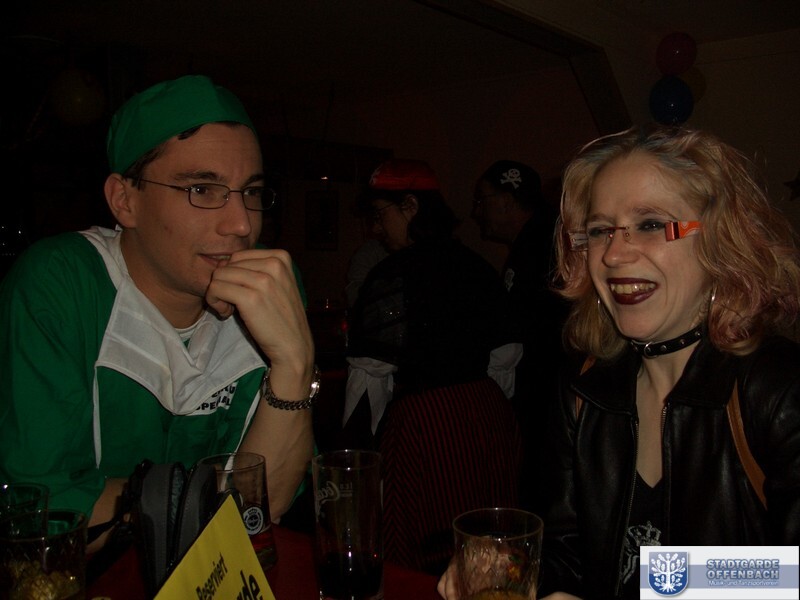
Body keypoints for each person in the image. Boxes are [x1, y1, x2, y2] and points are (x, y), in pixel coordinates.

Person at [438, 124, 800, 599]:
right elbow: (569, 555)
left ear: (720, 239)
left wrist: (664, 580)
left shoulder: (779, 387)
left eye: (650, 224)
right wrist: (514, 568)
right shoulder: (584, 386)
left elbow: (789, 574)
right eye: (599, 230)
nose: (612, 253)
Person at [0, 75, 317, 550]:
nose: (241, 224)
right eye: (202, 189)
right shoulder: (60, 284)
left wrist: (295, 365)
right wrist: (211, 505)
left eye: (251, 192)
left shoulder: (268, 287)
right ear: (124, 200)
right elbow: (39, 507)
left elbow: (268, 501)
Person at [341, 158, 522, 448]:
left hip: (426, 426)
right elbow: (505, 356)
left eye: (379, 214)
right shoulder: (479, 267)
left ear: (410, 206)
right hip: (488, 423)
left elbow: (369, 376)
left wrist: (359, 449)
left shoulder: (392, 275)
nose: (376, 228)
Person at [473, 159, 569, 515]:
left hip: (548, 401)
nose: (477, 211)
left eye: (482, 200)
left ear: (506, 201)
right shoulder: (533, 241)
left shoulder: (545, 243)